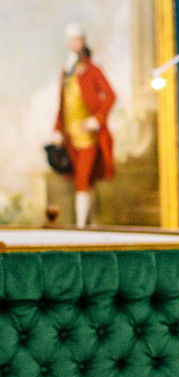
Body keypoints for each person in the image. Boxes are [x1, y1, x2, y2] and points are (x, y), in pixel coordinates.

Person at [54, 24, 116, 228]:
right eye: (70, 40)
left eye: (76, 39)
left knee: (83, 180)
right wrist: (57, 129)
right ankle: (91, 223)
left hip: (87, 136)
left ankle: (81, 226)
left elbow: (109, 95)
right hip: (70, 136)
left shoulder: (92, 70)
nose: (73, 44)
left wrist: (97, 120)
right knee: (83, 182)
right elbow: (62, 105)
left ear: (82, 42)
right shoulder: (66, 72)